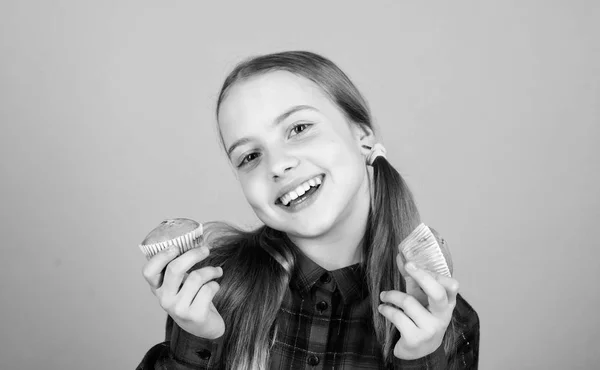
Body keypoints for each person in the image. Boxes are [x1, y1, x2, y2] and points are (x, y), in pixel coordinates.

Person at [137, 51, 480, 369]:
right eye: (250, 156)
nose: (278, 165)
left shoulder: (443, 320)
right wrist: (196, 340)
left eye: (299, 129)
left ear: (362, 136)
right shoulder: (216, 294)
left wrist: (419, 360)